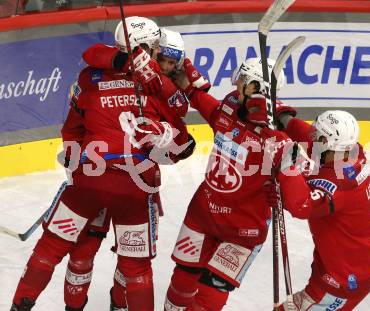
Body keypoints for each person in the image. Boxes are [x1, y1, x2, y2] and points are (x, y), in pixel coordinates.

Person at [10, 16, 188, 311]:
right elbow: (183, 144)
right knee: (136, 269)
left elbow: (72, 129)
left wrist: (73, 161)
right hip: (135, 188)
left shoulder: (90, 77)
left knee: (50, 249)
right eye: (154, 47)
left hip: (90, 181)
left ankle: (23, 306)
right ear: (144, 47)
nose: (157, 53)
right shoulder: (157, 87)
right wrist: (165, 142)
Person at [62, 27, 207, 311]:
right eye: (162, 57)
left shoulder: (166, 88)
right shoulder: (128, 71)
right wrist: (75, 154)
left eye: (172, 62)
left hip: (140, 183)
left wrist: (172, 146)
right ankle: (75, 304)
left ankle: (120, 303)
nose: (165, 65)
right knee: (85, 246)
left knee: (134, 257)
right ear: (151, 52)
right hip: (103, 172)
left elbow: (179, 139)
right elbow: (94, 53)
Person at [163, 57, 320, 311]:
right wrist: (190, 90)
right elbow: (215, 113)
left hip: (243, 230)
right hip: (203, 215)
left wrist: (283, 187)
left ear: (254, 87)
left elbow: (309, 175)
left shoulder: (278, 137)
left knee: (207, 298)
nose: (237, 88)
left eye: (242, 84)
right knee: (181, 282)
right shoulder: (231, 106)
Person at [272, 109, 370, 311]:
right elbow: (312, 140)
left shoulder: (338, 183)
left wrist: (289, 165)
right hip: (355, 266)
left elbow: (301, 206)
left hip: (342, 279)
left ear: (327, 142)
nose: (313, 137)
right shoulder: (353, 152)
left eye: (318, 134)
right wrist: (284, 120)